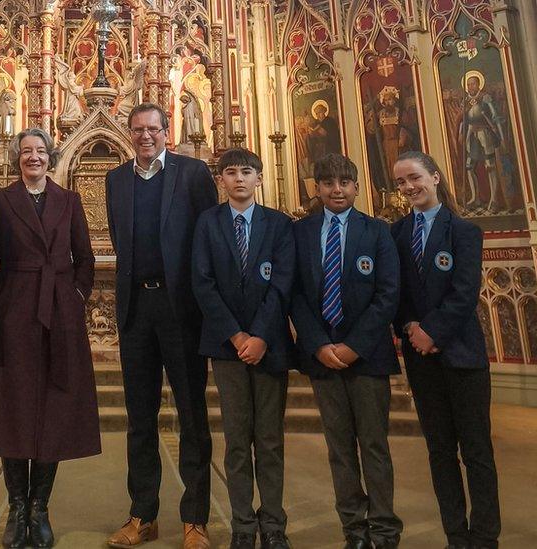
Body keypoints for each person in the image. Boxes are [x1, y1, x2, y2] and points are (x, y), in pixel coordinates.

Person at [0, 128, 101, 548]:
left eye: (40, 151)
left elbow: (85, 257)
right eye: (25, 151)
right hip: (15, 315)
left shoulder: (68, 199)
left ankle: (40, 506)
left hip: (60, 314)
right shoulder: (0, 200)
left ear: (51, 156)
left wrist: (75, 295)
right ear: (16, 158)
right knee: (14, 409)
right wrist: (2, 298)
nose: (33, 157)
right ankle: (16, 507)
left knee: (54, 410)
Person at [105, 103, 218, 549]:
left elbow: (208, 235)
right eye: (138, 130)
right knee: (140, 418)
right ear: (129, 134)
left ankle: (195, 519)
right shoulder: (116, 180)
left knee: (192, 415)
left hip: (181, 309)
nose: (145, 136)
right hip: (137, 310)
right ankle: (142, 514)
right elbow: (120, 237)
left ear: (167, 131)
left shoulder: (192, 174)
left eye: (153, 128)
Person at [289, 153, 403, 549]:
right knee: (339, 449)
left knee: (374, 446)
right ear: (316, 189)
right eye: (327, 183)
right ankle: (353, 530)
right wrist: (318, 343)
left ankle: (385, 530)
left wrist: (354, 345)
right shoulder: (301, 233)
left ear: (356, 186)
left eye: (344, 183)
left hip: (367, 357)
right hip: (323, 359)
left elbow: (388, 294)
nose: (336, 190)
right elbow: (296, 294)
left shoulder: (377, 232)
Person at [390, 151, 500, 549]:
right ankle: (456, 534)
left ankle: (484, 537)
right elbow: (396, 293)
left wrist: (431, 331)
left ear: (435, 177)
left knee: (476, 451)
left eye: (414, 177)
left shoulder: (464, 231)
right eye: (401, 182)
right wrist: (409, 327)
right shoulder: (396, 234)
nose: (408, 187)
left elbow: (464, 291)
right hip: (422, 359)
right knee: (439, 451)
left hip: (462, 354)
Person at [191, 148, 295, 549]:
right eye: (230, 172)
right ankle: (242, 524)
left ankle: (273, 524)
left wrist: (262, 336)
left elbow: (284, 283)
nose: (238, 179)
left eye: (246, 172)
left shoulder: (280, 224)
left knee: (269, 440)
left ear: (260, 178)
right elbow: (203, 283)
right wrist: (236, 336)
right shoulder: (208, 223)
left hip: (269, 347)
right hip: (226, 346)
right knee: (237, 440)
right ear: (221, 180)